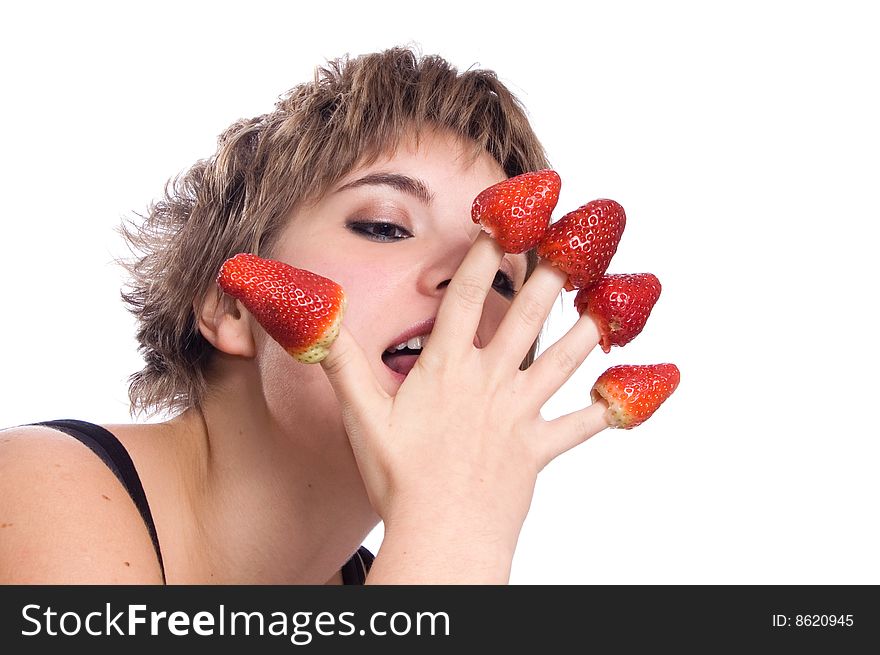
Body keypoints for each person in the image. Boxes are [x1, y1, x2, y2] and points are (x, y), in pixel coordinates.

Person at [0, 46, 609, 584]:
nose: (465, 284)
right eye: (384, 227)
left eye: (503, 277)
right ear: (232, 304)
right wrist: (454, 519)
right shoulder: (35, 490)